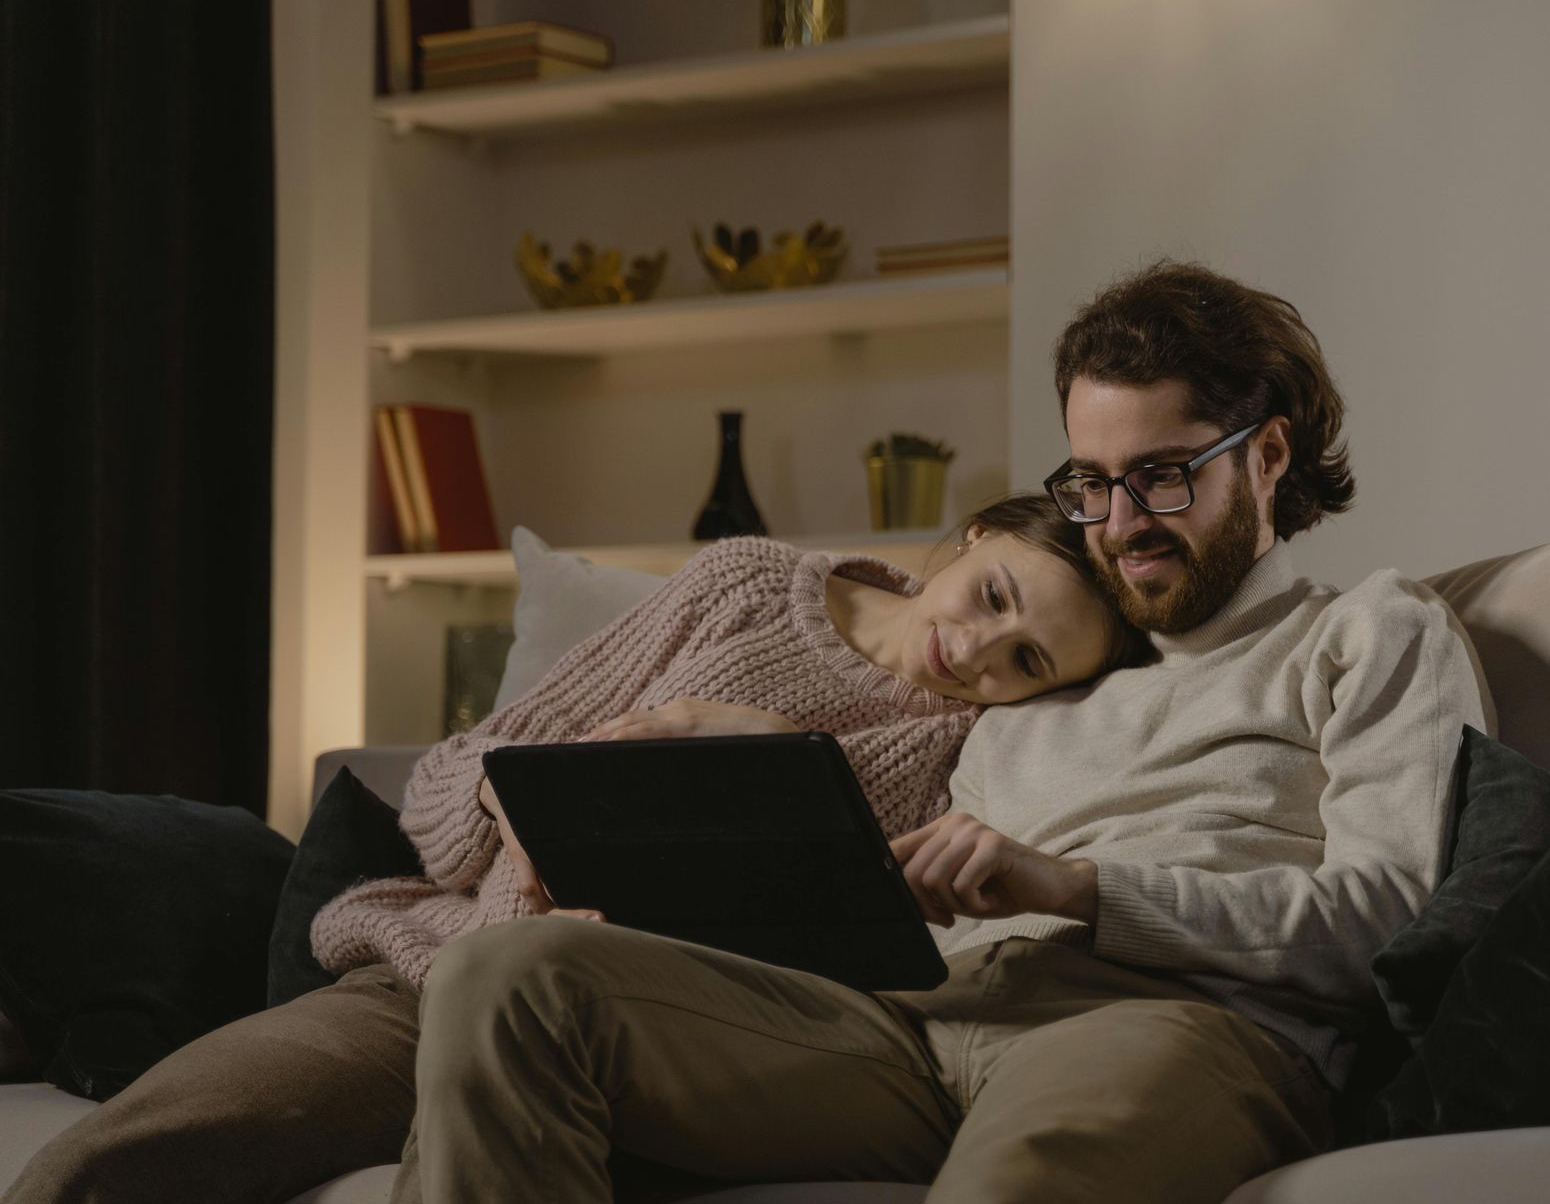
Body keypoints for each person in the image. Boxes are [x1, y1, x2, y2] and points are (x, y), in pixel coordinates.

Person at [390, 259, 1496, 1204]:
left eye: (1161, 476)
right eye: (1093, 483)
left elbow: (1386, 925)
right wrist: (755, 754)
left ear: (1266, 458)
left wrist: (1073, 887)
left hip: (1167, 1022)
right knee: (509, 976)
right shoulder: (1038, 670)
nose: (1119, 525)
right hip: (911, 1019)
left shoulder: (1369, 631)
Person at [3, 492, 1147, 1204]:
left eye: (1027, 658)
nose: (981, 648)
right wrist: (537, 812)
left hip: (643, 1030)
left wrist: (767, 752)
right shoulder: (745, 582)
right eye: (995, 595)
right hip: (441, 966)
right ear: (978, 534)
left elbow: (838, 965)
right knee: (112, 1161)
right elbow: (466, 773)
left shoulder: (984, 751)